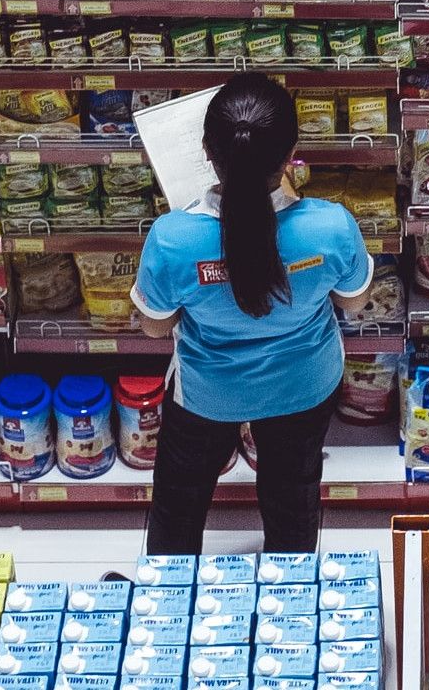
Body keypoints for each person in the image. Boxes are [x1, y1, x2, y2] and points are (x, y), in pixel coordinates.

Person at [132, 71, 372, 555]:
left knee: (179, 500)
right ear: (291, 155)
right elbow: (354, 302)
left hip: (207, 393)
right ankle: (292, 594)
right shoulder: (331, 226)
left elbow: (155, 326)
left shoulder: (173, 237)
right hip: (303, 385)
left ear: (205, 151)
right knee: (292, 494)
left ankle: (169, 605)